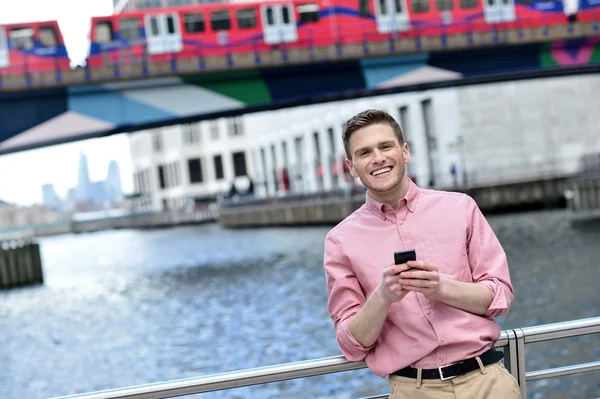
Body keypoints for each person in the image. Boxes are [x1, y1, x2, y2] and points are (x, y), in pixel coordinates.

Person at [322, 109, 518, 399]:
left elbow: (499, 296)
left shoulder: (461, 208)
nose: (377, 158)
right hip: (414, 391)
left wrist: (440, 287)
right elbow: (351, 344)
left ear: (405, 152)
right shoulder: (340, 241)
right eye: (364, 153)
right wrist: (382, 296)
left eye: (385, 146)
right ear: (352, 167)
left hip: (487, 383)